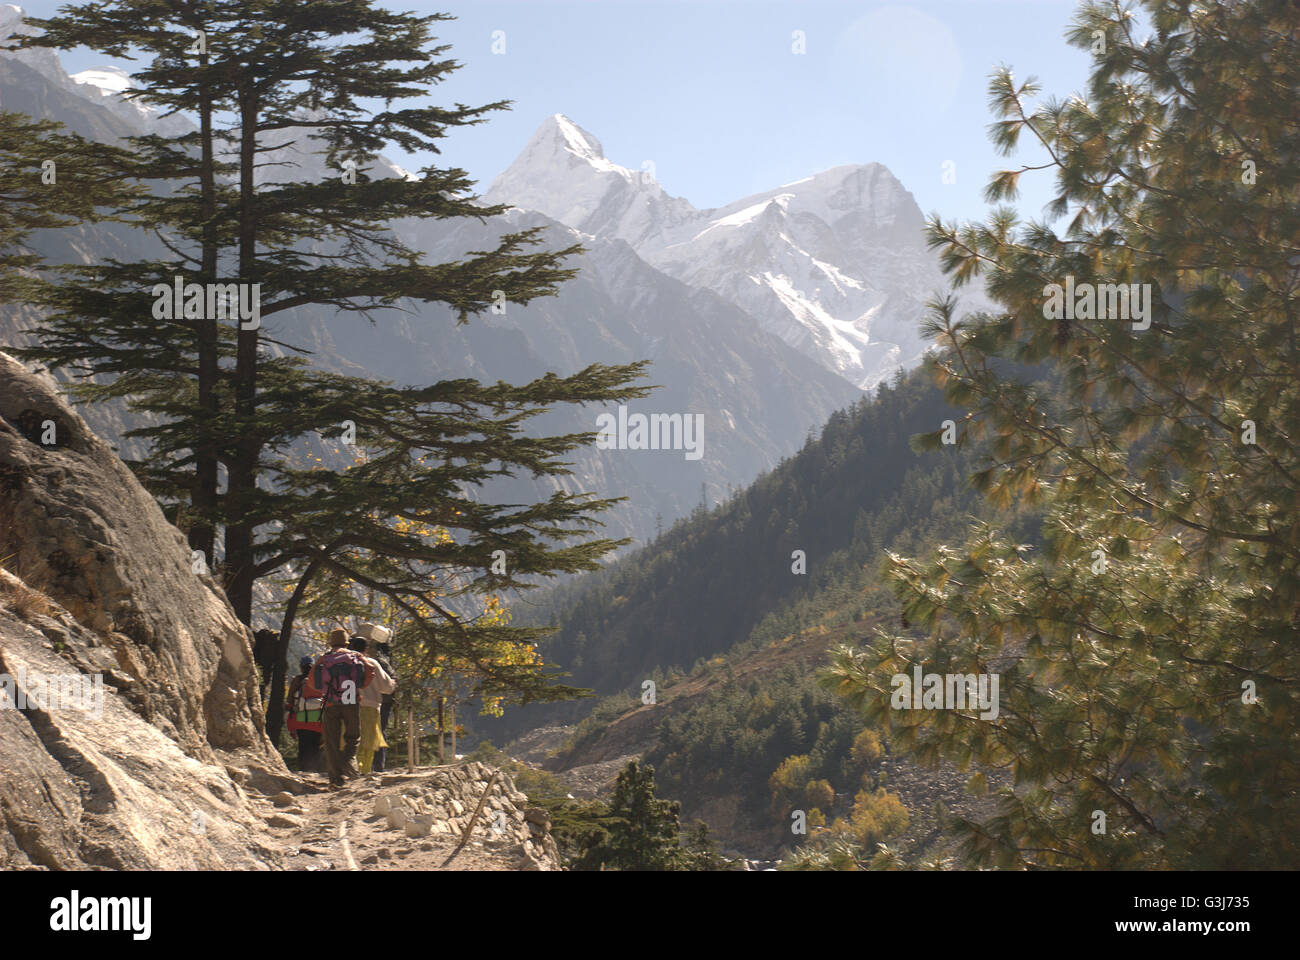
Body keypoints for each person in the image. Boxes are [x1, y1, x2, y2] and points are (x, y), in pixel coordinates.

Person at [313, 628, 372, 788]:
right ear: (347, 642)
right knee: (353, 737)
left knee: (331, 741)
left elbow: (314, 681)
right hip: (351, 702)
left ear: (331, 642)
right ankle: (347, 761)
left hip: (330, 703)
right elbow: (368, 674)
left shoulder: (324, 658)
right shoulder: (355, 656)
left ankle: (335, 778)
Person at [355, 638, 396, 774]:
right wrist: (394, 682)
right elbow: (387, 687)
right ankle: (365, 770)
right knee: (369, 741)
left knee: (350, 739)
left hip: (348, 706)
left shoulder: (344, 663)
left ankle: (351, 768)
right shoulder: (372, 663)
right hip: (371, 706)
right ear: (366, 649)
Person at [285, 655, 324, 773]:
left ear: (301, 667)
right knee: (315, 746)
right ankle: (314, 771)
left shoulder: (298, 680)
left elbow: (290, 700)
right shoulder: (320, 681)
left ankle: (304, 771)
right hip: (318, 719)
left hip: (302, 718)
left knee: (304, 746)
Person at [372, 640, 397, 772]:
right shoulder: (386, 661)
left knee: (373, 730)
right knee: (380, 730)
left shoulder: (376, 661)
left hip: (374, 700)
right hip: (386, 700)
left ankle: (374, 763)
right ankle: (378, 764)